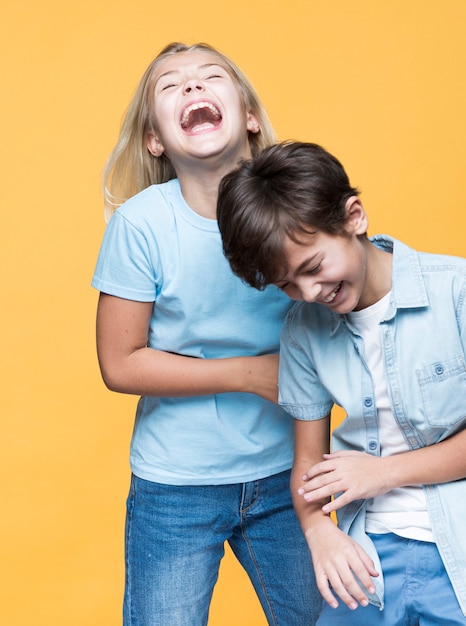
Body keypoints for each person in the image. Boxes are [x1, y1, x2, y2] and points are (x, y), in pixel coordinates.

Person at [216, 141, 466, 625]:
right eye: (287, 284)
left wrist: (384, 472)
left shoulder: (457, 288)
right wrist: (317, 531)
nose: (309, 292)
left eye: (312, 267)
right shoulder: (303, 330)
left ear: (353, 217)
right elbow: (309, 465)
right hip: (366, 557)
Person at [92, 44, 321, 626]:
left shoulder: (295, 208)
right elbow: (120, 364)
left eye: (211, 77)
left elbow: (346, 297)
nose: (192, 88)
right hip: (176, 486)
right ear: (155, 140)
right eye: (170, 87)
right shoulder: (141, 225)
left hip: (292, 472)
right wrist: (251, 374)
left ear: (247, 115)